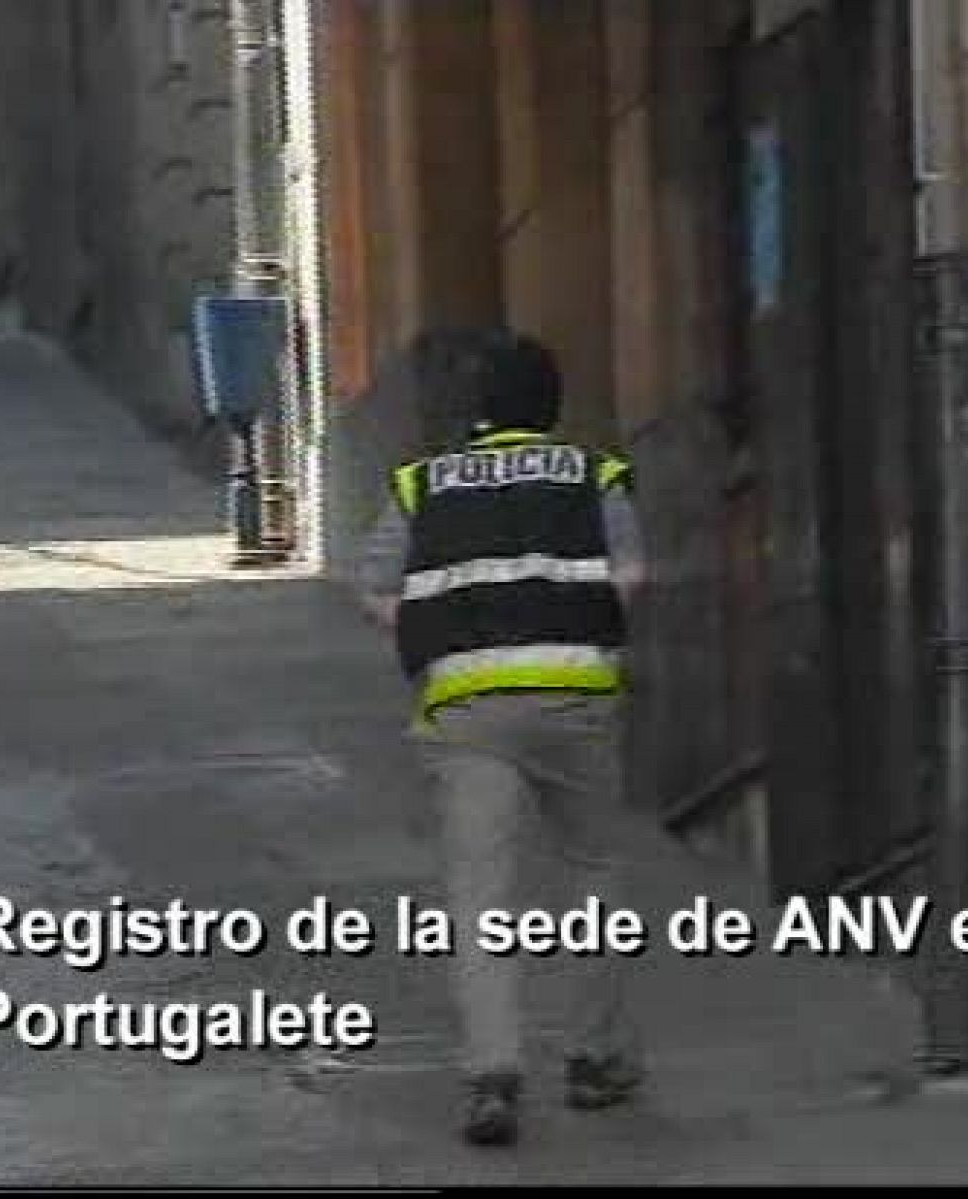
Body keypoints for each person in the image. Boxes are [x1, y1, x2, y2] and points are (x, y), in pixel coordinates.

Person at [355, 326, 647, 1147]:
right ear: (551, 408)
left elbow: (377, 588)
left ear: (477, 409)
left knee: (481, 893)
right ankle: (594, 1059)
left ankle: (493, 1074)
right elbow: (631, 577)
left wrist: (438, 647)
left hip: (468, 704)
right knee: (593, 872)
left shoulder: (423, 485)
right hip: (575, 693)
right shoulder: (595, 476)